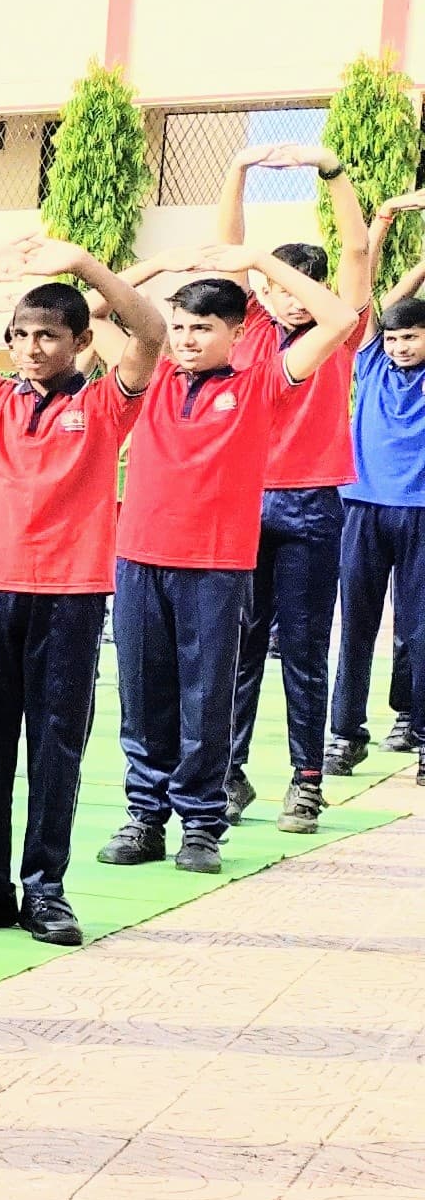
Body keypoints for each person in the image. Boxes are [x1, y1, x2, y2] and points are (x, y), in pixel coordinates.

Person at [100, 247, 365, 874]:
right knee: (142, 696)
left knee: (206, 698)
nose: (187, 340)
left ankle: (200, 825)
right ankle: (145, 817)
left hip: (216, 567)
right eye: (180, 327)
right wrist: (139, 271)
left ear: (238, 332)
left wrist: (257, 264)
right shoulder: (153, 373)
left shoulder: (261, 382)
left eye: (203, 328)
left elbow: (338, 321)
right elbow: (88, 314)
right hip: (138, 559)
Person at [0, 249, 147, 947]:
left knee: (55, 748)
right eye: (19, 335)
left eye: (48, 335)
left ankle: (45, 888)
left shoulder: (106, 402)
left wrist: (85, 265)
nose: (30, 348)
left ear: (82, 341)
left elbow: (150, 335)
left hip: (69, 597)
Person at [218, 145, 371, 832]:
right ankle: (227, 774)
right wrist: (241, 167)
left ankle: (307, 781)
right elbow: (229, 250)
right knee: (237, 647)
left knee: (305, 652)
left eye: (295, 287)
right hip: (244, 501)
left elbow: (359, 248)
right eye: (274, 286)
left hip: (312, 504)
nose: (284, 298)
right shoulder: (249, 327)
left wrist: (330, 169)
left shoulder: (341, 331)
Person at [340, 208, 425, 769]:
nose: (400, 346)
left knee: (419, 630)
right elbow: (363, 289)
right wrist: (385, 221)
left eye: (412, 337)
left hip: (420, 513)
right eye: (394, 337)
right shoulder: (368, 362)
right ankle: (345, 734)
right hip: (362, 509)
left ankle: (418, 728)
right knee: (355, 629)